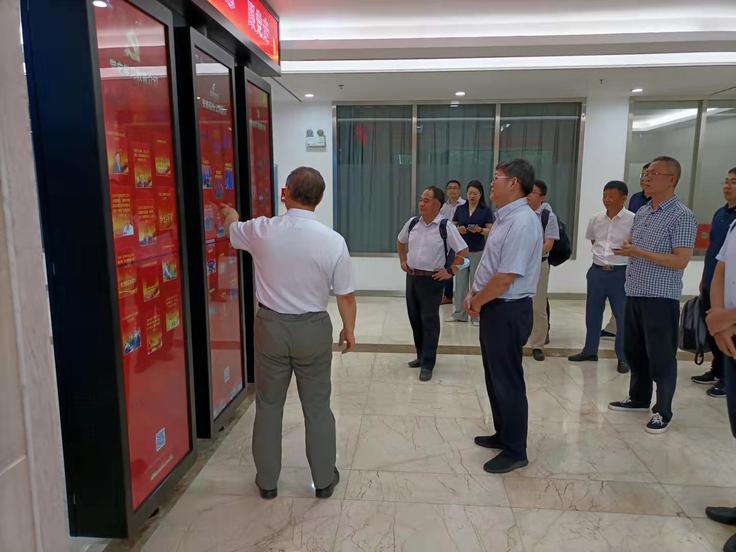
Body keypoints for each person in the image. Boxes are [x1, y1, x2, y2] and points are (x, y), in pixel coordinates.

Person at [221, 166, 357, 500]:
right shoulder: (333, 241)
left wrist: (230, 214)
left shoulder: (261, 230)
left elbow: (232, 229)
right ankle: (323, 480)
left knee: (269, 405)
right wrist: (349, 329)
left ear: (285, 194)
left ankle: (267, 482)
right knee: (318, 407)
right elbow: (345, 295)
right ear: (320, 199)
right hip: (313, 329)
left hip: (271, 328)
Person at [608, 156, 697, 433]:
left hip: (660, 296)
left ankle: (663, 410)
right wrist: (629, 247)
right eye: (645, 173)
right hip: (635, 291)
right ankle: (638, 398)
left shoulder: (682, 215)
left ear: (671, 179)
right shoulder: (644, 211)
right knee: (634, 350)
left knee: (661, 356)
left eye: (654, 174)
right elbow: (637, 246)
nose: (646, 178)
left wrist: (638, 252)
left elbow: (680, 260)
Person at [466, 158, 542, 474]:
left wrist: (477, 301)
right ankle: (503, 433)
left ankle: (515, 449)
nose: (491, 184)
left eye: (496, 178)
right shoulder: (505, 218)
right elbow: (490, 265)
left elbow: (506, 276)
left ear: (513, 183)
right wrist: (475, 294)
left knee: (507, 379)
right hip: (494, 306)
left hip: (508, 309)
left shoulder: (522, 222)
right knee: (494, 375)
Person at [398, 186, 468, 382]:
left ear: (437, 204)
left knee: (429, 321)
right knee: (415, 319)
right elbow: (400, 241)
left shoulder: (445, 226)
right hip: (412, 278)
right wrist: (403, 260)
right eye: (421, 199)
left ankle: (428, 363)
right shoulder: (413, 223)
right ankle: (421, 356)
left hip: (432, 280)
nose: (421, 204)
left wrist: (450, 271)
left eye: (426, 200)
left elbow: (463, 252)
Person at [568, 180, 634, 373]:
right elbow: (594, 241)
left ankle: (623, 357)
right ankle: (590, 351)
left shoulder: (633, 220)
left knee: (622, 317)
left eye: (612, 196)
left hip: (620, 273)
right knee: (593, 314)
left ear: (623, 197)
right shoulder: (596, 219)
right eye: (605, 195)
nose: (607, 200)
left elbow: (635, 246)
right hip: (597, 272)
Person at [703, 217, 736, 552]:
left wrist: (726, 318)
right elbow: (720, 270)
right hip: (729, 334)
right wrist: (718, 318)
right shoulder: (734, 225)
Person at [692, 167, 736, 397]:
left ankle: (728, 379)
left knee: (729, 331)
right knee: (713, 329)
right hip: (712, 283)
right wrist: (704, 280)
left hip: (731, 293)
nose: (727, 186)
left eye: (734, 182)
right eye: (726, 181)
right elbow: (714, 253)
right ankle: (717, 369)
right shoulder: (721, 214)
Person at [601, 162, 652, 338]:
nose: (645, 179)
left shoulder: (660, 203)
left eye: (649, 175)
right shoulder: (636, 198)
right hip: (629, 254)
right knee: (623, 297)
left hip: (647, 255)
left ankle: (634, 331)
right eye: (643, 175)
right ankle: (615, 328)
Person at [447, 180, 494, 325]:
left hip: (478, 251)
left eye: (475, 193)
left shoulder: (485, 211)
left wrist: (480, 230)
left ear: (480, 194)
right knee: (460, 283)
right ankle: (459, 314)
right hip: (461, 252)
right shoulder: (460, 209)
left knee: (476, 283)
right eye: (469, 193)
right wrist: (458, 229)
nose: (472, 196)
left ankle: (476, 315)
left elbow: (491, 230)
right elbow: (452, 227)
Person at [526, 180, 559, 361]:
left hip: (539, 264)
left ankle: (537, 345)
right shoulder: (518, 214)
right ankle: (518, 340)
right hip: (517, 266)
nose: (529, 196)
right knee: (517, 304)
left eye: (533, 192)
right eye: (528, 192)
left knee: (538, 306)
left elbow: (549, 244)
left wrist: (530, 255)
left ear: (542, 197)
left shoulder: (548, 216)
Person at [439, 179, 465, 304]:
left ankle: (462, 298)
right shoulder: (443, 207)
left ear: (459, 190)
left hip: (462, 242)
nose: (452, 190)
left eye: (455, 188)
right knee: (447, 267)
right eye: (450, 188)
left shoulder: (464, 205)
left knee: (461, 270)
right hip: (447, 243)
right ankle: (448, 296)